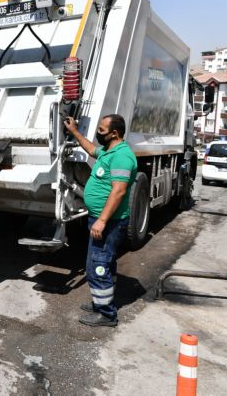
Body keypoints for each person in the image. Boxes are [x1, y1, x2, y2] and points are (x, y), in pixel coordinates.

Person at [64, 114, 137, 327]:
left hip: (110, 222)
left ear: (115, 133)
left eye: (102, 130)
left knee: (97, 266)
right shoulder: (109, 151)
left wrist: (102, 221)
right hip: (102, 218)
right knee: (105, 263)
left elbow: (119, 191)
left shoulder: (122, 156)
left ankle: (107, 314)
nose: (98, 133)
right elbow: (90, 149)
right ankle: (101, 302)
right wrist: (75, 131)